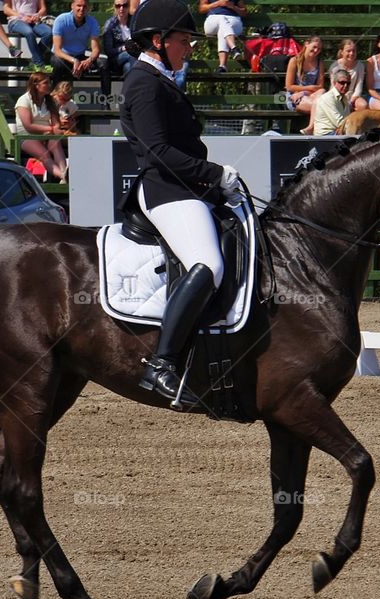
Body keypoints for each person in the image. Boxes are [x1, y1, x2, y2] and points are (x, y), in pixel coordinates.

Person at [119, 0, 242, 406]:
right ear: (158, 41)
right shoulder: (143, 82)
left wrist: (215, 186)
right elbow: (158, 153)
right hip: (165, 190)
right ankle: (162, 364)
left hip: (185, 188)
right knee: (208, 264)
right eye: (184, 39)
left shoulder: (161, 80)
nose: (190, 47)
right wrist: (214, 173)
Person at [15, 72, 68, 182]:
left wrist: (56, 129)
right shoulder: (23, 100)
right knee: (45, 154)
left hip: (46, 135)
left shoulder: (50, 101)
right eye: (46, 83)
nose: (49, 85)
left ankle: (64, 174)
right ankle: (63, 176)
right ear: (36, 85)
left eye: (50, 82)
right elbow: (29, 126)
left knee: (56, 143)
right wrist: (51, 129)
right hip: (26, 136)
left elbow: (56, 122)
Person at [51, 0, 109, 97]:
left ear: (88, 8)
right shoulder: (61, 20)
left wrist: (89, 60)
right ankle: (54, 98)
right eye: (79, 6)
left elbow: (96, 49)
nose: (81, 9)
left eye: (84, 6)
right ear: (72, 6)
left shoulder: (92, 22)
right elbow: (57, 50)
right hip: (63, 57)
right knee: (58, 63)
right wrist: (74, 61)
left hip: (80, 56)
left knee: (103, 63)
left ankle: (106, 101)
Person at [284, 36, 324, 135]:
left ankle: (311, 127)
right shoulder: (294, 60)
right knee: (320, 106)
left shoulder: (320, 63)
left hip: (311, 94)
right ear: (306, 44)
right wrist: (308, 89)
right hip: (295, 96)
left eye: (319, 49)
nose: (316, 50)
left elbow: (320, 86)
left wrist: (305, 91)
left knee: (322, 92)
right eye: (314, 47)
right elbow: (289, 86)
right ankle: (313, 129)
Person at [3, 0, 53, 71]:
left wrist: (37, 15)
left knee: (49, 33)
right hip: (16, 20)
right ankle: (39, 64)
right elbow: (6, 9)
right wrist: (22, 16)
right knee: (29, 32)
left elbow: (43, 9)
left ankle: (34, 61)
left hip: (33, 21)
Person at [198, 0, 246, 73]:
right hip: (213, 20)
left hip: (233, 21)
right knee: (222, 20)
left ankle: (222, 66)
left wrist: (233, 7)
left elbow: (244, 12)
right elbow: (201, 9)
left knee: (223, 29)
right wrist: (217, 4)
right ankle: (233, 48)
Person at [328, 39, 366, 112]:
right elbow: (333, 86)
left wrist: (351, 102)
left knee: (363, 105)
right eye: (348, 51)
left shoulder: (360, 66)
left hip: (353, 96)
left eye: (353, 51)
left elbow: (359, 87)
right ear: (342, 52)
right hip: (337, 95)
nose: (351, 53)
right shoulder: (335, 66)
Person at [103, 0, 137, 78]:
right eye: (118, 6)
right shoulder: (110, 24)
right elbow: (109, 51)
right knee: (130, 54)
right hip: (116, 59)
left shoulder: (134, 22)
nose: (121, 8)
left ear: (129, 6)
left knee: (128, 67)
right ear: (114, 7)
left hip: (132, 58)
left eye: (125, 5)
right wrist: (123, 48)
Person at [313, 69, 352, 135]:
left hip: (337, 132)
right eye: (342, 83)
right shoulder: (328, 98)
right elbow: (339, 122)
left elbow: (345, 121)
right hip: (325, 136)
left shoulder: (345, 98)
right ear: (334, 83)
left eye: (348, 83)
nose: (345, 86)